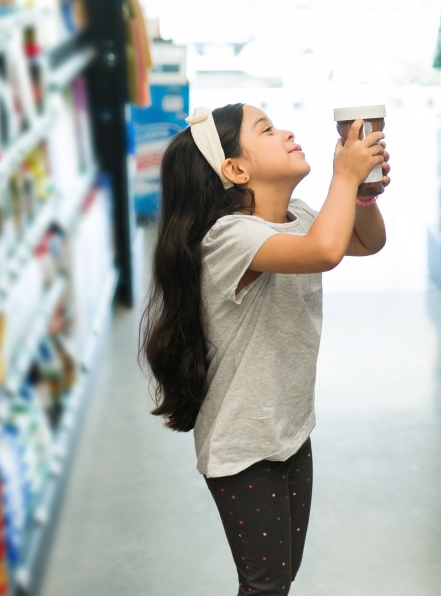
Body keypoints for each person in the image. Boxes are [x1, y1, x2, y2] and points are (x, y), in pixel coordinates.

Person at [139, 103, 389, 594]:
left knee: (280, 576)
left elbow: (368, 242)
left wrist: (362, 193)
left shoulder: (298, 217)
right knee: (266, 584)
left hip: (290, 431)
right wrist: (344, 173)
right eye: (268, 130)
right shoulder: (229, 236)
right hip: (243, 447)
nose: (287, 131)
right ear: (235, 170)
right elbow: (325, 252)